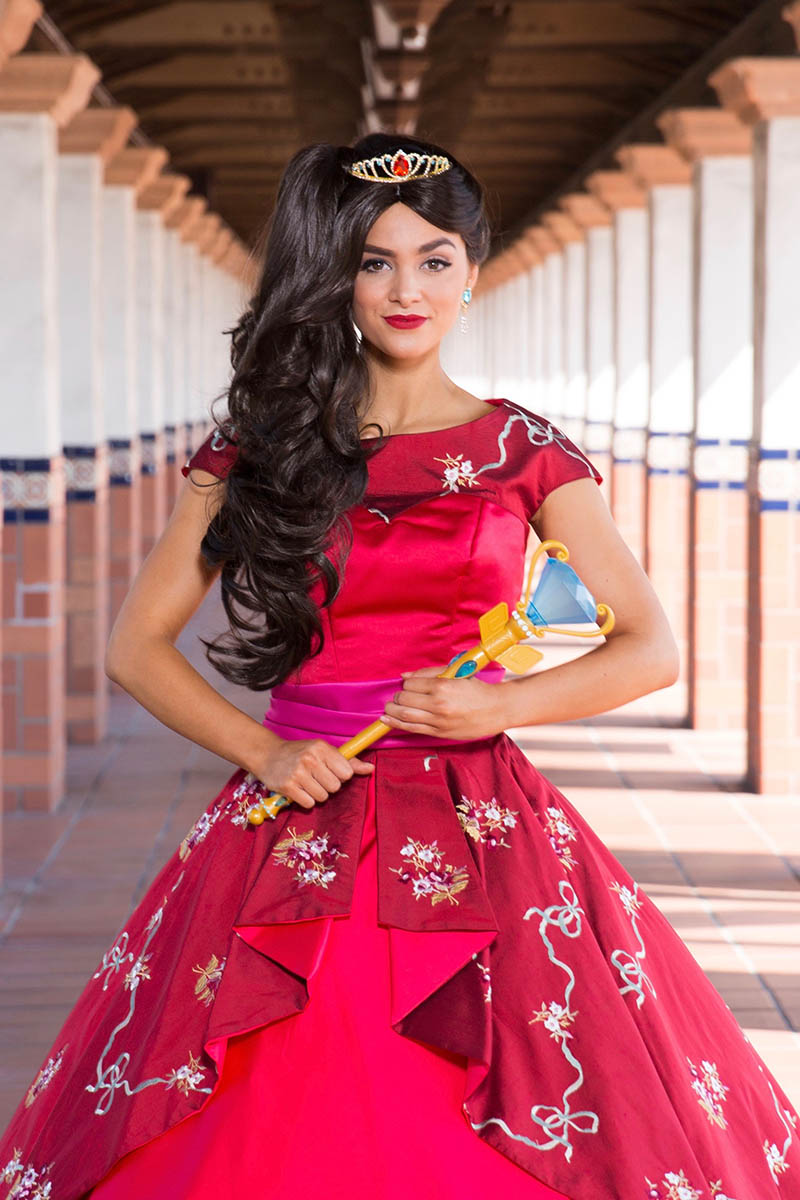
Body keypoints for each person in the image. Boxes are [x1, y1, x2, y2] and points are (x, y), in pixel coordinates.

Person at [1, 133, 797, 1200]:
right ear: (331, 276)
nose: (405, 287)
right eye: (372, 261)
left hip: (478, 817)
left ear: (472, 269)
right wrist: (265, 751)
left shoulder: (524, 451)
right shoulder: (257, 449)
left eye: (433, 258)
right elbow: (134, 647)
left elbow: (646, 645)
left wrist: (496, 707)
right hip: (295, 808)